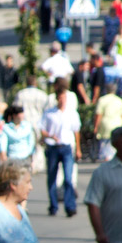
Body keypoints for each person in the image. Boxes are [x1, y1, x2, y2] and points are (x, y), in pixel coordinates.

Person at [40, 86, 81, 217]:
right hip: (53, 147)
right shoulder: (49, 113)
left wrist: (78, 148)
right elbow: (42, 129)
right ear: (57, 99)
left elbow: (76, 131)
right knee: (52, 178)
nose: (63, 100)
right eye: (61, 98)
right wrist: (49, 136)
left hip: (67, 147)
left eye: (65, 98)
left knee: (68, 178)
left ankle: (70, 206)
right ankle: (53, 205)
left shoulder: (71, 113)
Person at [92, 83, 122, 162]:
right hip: (118, 125)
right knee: (116, 147)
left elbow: (99, 115)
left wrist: (95, 127)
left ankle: (107, 161)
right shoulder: (119, 100)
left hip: (105, 126)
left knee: (105, 147)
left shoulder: (102, 100)